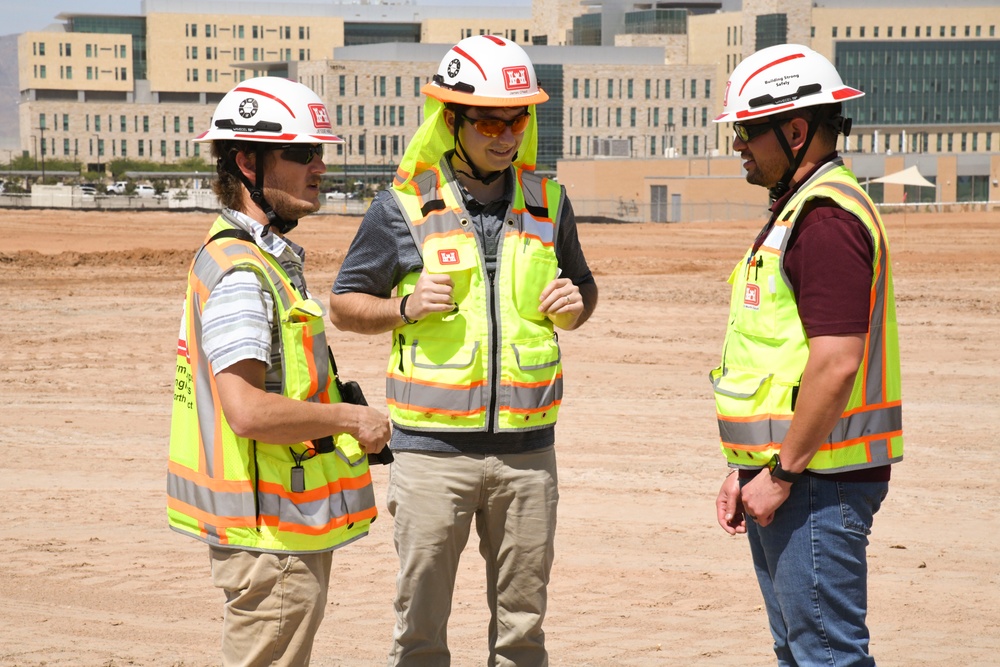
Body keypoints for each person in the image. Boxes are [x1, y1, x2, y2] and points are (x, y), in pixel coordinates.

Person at [328, 35, 598, 667]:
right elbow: (343, 303)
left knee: (523, 632)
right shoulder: (400, 208)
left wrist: (576, 305)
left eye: (517, 119)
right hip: (430, 457)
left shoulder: (550, 204)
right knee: (420, 632)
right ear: (450, 121)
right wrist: (403, 308)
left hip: (529, 456)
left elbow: (583, 288)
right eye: (488, 120)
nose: (505, 134)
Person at [166, 76, 391, 666]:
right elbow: (247, 410)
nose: (319, 166)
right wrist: (349, 417)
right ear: (246, 162)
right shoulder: (244, 274)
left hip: (271, 532)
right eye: (300, 153)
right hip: (272, 538)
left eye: (320, 152)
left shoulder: (255, 260)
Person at [710, 44, 903, 666]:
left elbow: (835, 362)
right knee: (799, 651)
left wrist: (783, 473)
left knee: (824, 655)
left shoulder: (825, 220)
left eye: (746, 131)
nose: (737, 144)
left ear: (795, 131)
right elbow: (779, 360)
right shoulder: (796, 212)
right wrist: (749, 466)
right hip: (790, 474)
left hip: (818, 480)